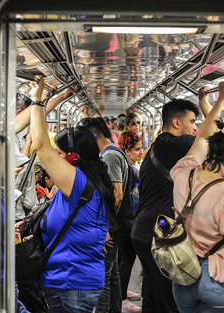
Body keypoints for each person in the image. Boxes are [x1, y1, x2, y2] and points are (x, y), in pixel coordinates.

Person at [27, 76, 117, 313]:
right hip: (70, 281)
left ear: (73, 158)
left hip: (72, 283)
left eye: (59, 153)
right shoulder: (84, 182)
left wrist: (37, 102)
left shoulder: (78, 182)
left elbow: (40, 147)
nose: (53, 157)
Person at [171, 81, 224, 313]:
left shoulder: (183, 172)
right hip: (216, 279)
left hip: (182, 274)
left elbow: (202, 137)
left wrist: (219, 99)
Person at [131, 98, 199, 313]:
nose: (195, 127)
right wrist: (219, 101)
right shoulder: (169, 144)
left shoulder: (159, 144)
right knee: (168, 299)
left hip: (145, 228)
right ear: (177, 122)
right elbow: (209, 137)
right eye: (193, 121)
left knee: (153, 292)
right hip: (154, 230)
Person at [80, 117, 127, 313]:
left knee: (103, 280)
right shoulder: (112, 153)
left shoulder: (109, 157)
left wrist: (104, 228)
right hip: (115, 224)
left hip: (111, 226)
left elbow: (117, 195)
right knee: (113, 274)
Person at [117, 130, 143, 312]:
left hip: (126, 217)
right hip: (126, 219)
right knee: (127, 259)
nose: (141, 153)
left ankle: (123, 290)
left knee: (124, 259)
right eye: (137, 149)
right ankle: (122, 299)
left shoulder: (127, 166)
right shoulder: (129, 168)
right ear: (127, 151)